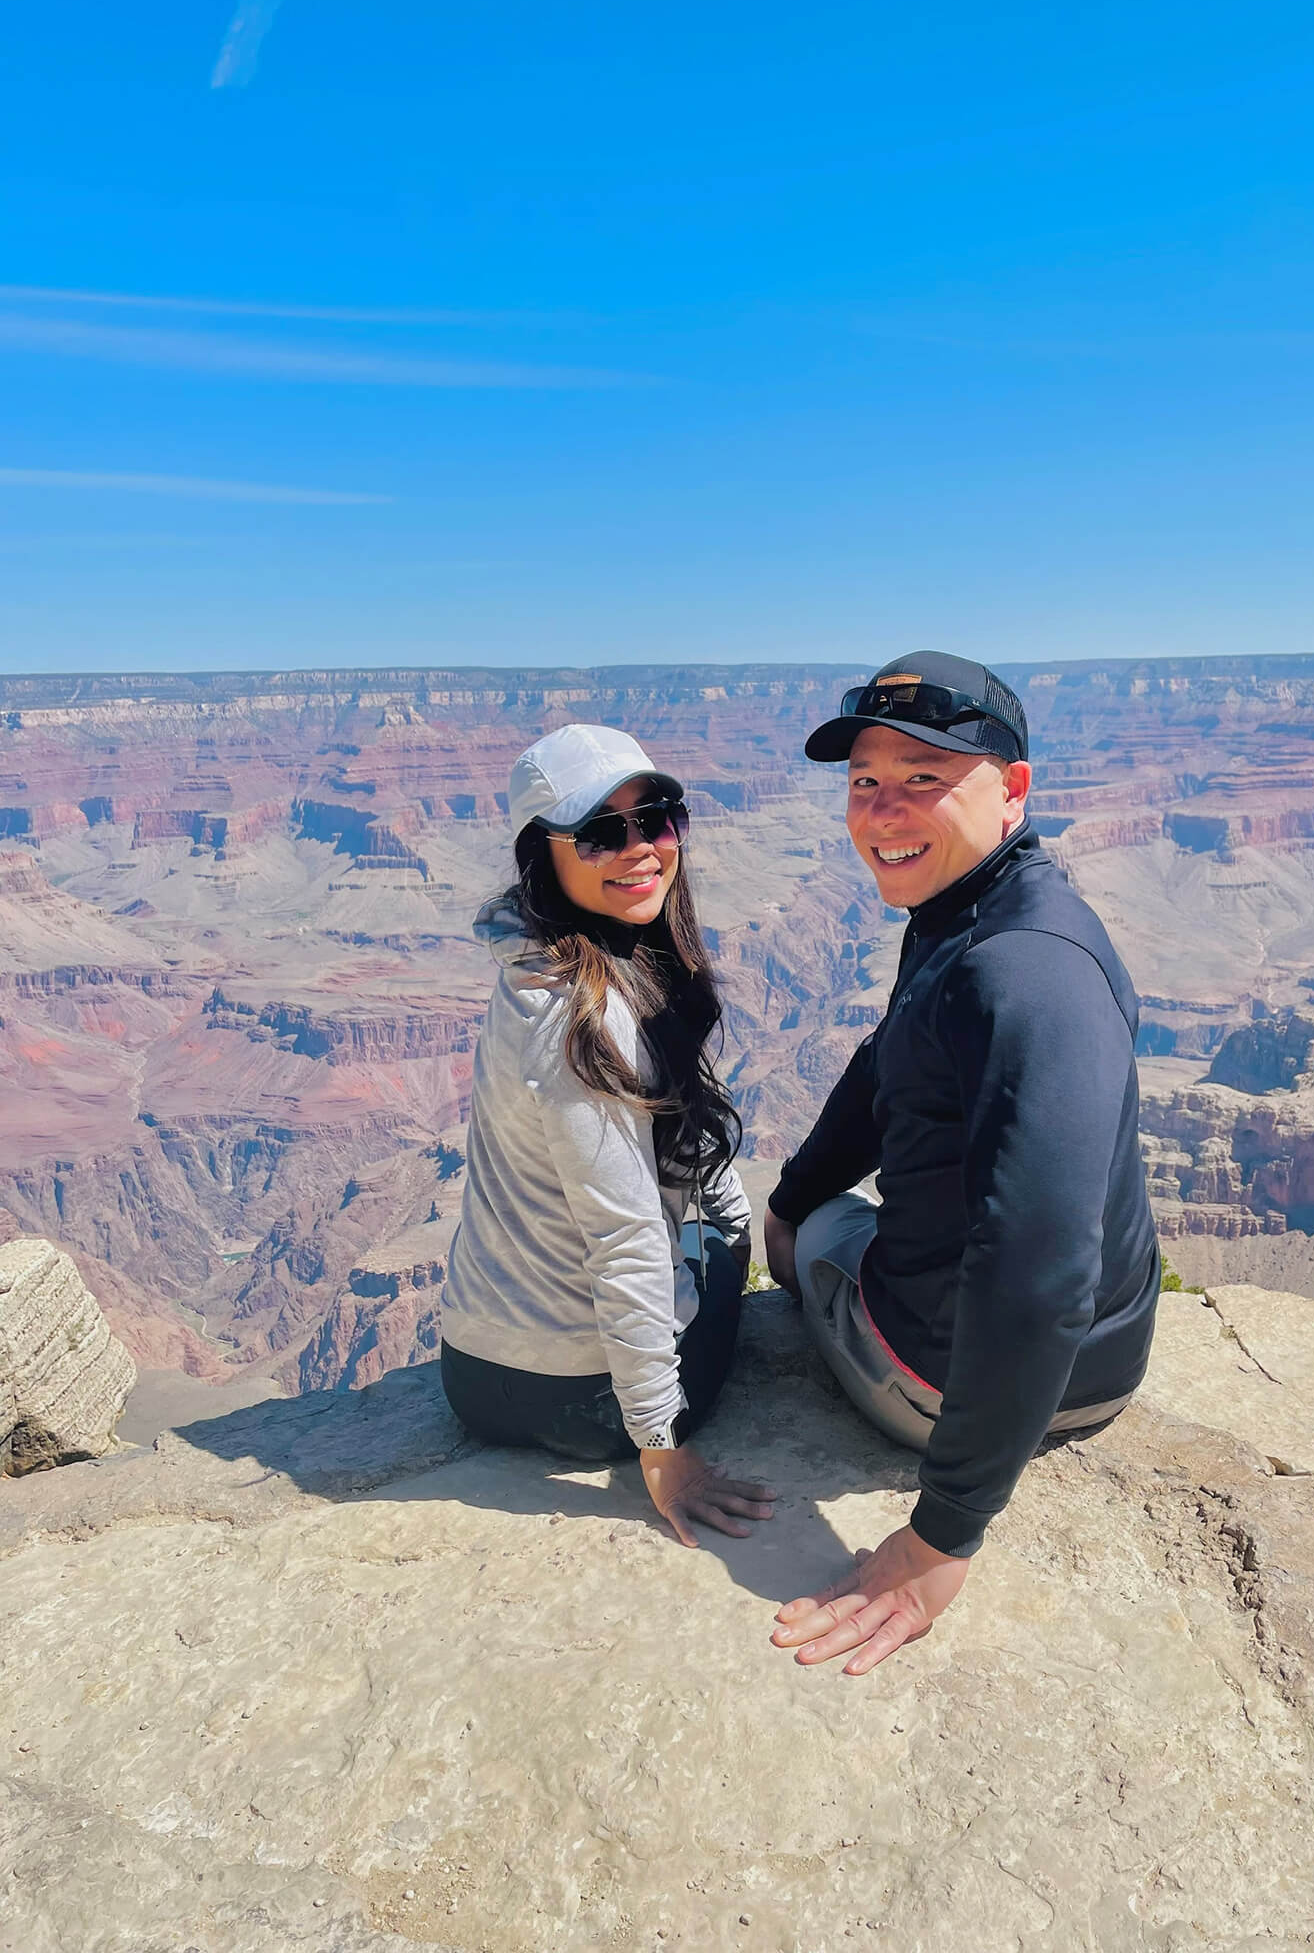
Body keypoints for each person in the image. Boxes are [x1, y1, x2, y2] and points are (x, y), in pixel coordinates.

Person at [763, 652, 1159, 1674]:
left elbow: (1041, 1270)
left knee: (817, 1242)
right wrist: (792, 1186)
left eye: (923, 778)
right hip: (1094, 1357)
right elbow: (889, 1056)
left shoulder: (1024, 971)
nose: (883, 811)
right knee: (808, 1210)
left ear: (1013, 787)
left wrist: (943, 1534)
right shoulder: (985, 905)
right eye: (863, 781)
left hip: (972, 1380)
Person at [440, 722, 776, 1548]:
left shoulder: (534, 965)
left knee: (721, 1231)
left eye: (655, 818)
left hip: (474, 1373)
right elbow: (624, 1236)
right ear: (543, 856)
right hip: (579, 1400)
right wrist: (663, 1452)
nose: (639, 849)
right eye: (599, 833)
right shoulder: (584, 1019)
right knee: (728, 1260)